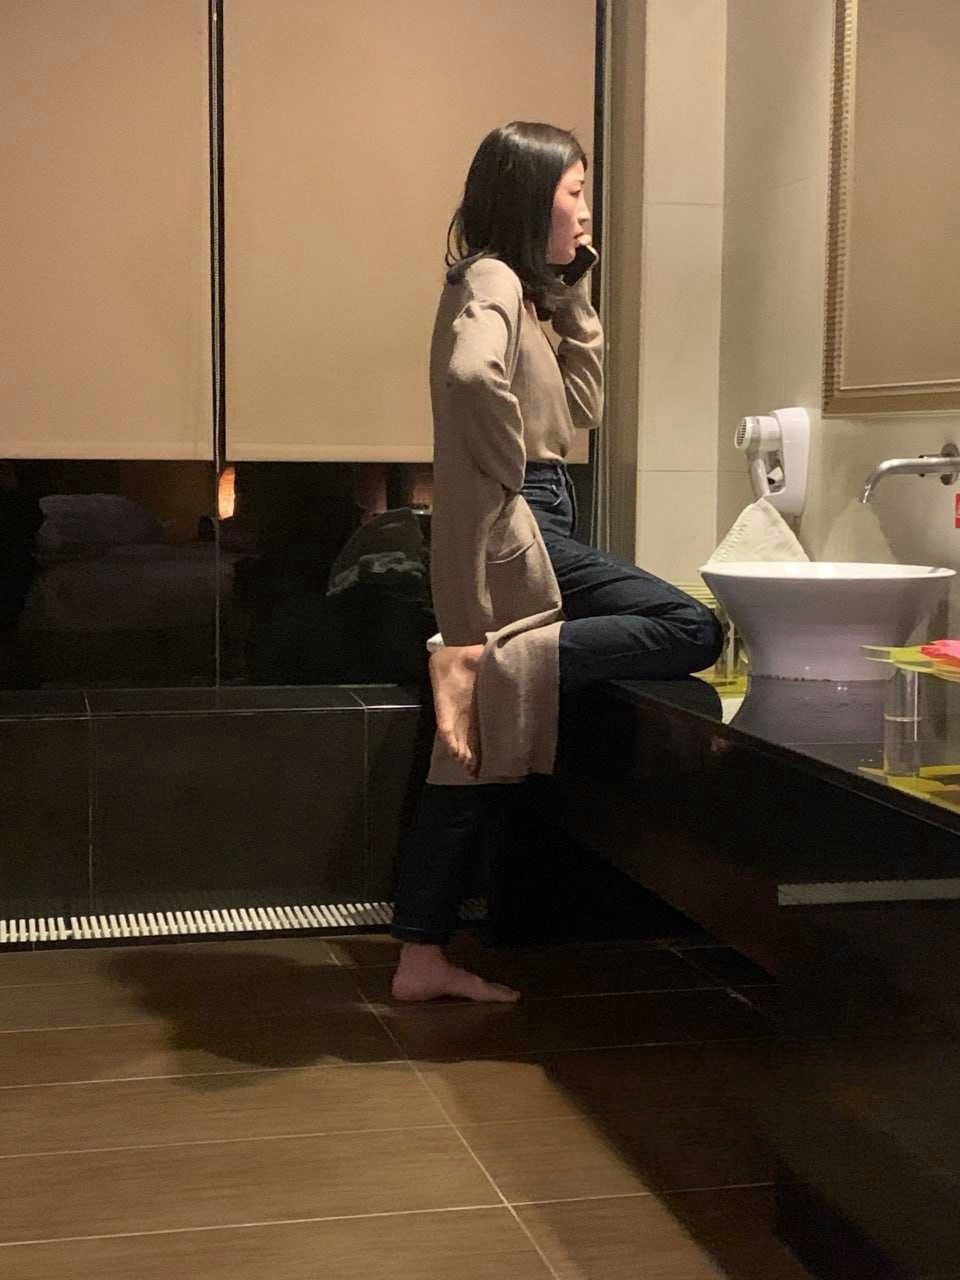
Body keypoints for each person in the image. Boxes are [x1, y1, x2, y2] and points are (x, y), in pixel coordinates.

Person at [389, 122, 721, 1003]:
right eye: (575, 192)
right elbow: (471, 379)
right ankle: (482, 662)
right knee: (689, 625)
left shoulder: (518, 293)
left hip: (530, 504)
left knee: (475, 746)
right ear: (534, 196)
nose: (585, 211)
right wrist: (507, 473)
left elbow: (580, 408)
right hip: (520, 509)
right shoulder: (491, 276)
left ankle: (420, 952)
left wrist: (573, 302)